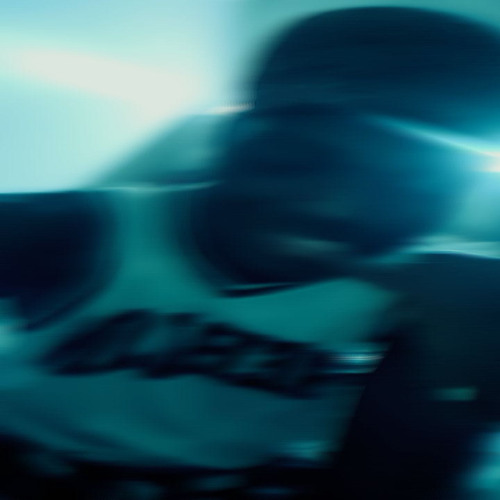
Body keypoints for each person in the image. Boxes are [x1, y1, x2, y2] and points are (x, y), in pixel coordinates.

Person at [2, 6, 500, 499]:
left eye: (415, 184)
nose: (338, 206)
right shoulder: (86, 226)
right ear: (228, 141)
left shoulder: (428, 296)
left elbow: (397, 469)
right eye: (297, 158)